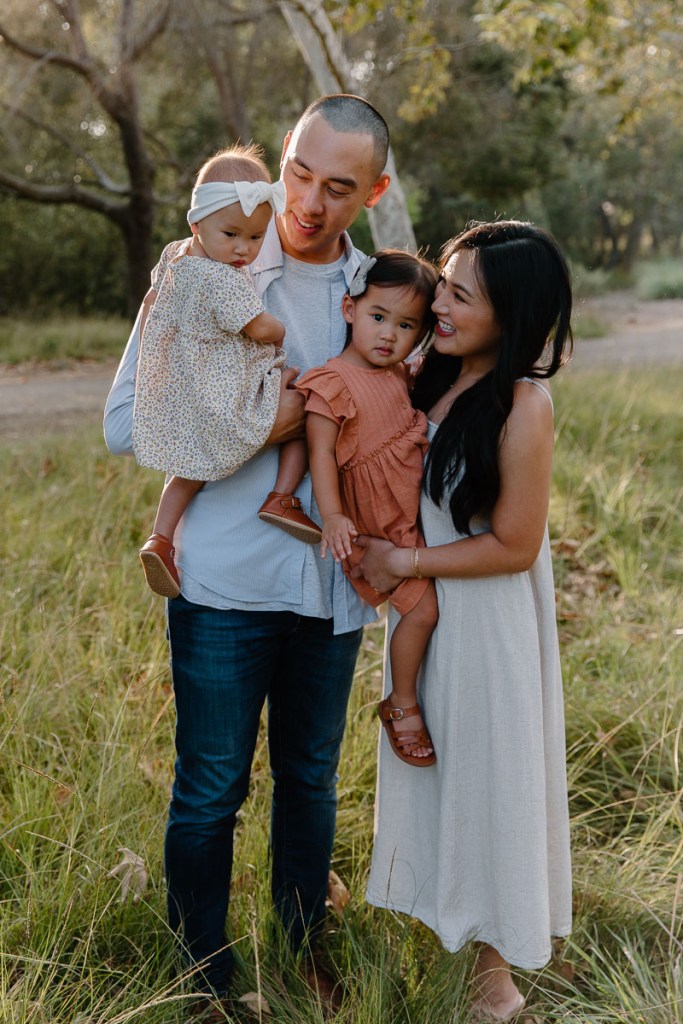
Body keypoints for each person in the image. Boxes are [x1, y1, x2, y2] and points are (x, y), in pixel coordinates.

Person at [103, 94, 391, 1018]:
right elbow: (124, 423)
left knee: (310, 783)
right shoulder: (202, 265)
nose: (307, 201)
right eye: (298, 174)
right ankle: (203, 978)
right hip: (223, 581)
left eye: (336, 187)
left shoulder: (383, 293)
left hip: (332, 587)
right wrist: (274, 422)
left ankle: (303, 954)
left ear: (373, 192)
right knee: (210, 791)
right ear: (282, 160)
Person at [360, 221, 573, 1022]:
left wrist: (404, 562)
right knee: (433, 778)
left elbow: (514, 544)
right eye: (442, 285)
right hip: (424, 621)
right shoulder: (423, 376)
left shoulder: (522, 403)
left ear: (509, 314)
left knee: (488, 784)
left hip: (484, 627)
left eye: (459, 295)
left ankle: (495, 982)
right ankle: (440, 929)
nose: (437, 304)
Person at [133, 143, 321, 600]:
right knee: (304, 402)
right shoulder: (222, 278)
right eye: (232, 234)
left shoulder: (176, 259)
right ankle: (282, 497)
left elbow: (156, 300)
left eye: (255, 238)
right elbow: (259, 327)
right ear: (196, 224)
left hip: (190, 392)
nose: (243, 249)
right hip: (229, 393)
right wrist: (278, 329)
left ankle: (160, 538)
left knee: (187, 470)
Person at [296, 249, 439, 765]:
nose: (388, 335)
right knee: (422, 609)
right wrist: (333, 515)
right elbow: (320, 455)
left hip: (408, 515)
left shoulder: (399, 374)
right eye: (378, 317)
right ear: (349, 308)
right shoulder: (332, 381)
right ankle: (401, 701)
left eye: (406, 326)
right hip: (378, 525)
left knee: (431, 605)